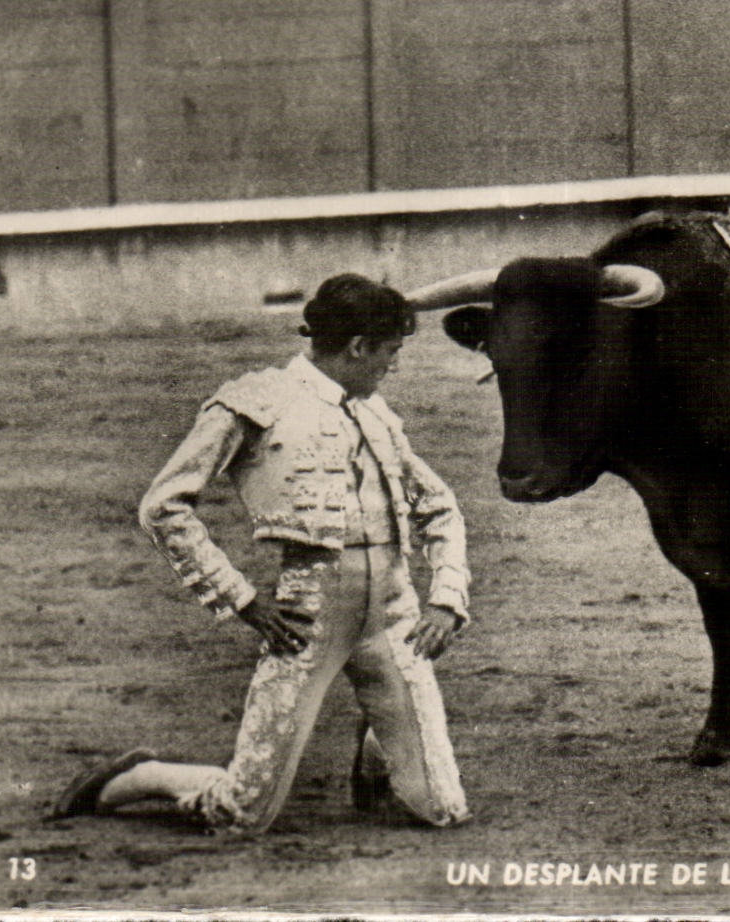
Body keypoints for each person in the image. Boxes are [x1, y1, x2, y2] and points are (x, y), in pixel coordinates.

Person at [50, 276, 472, 834]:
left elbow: (438, 505)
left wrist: (446, 599)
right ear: (358, 347)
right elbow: (163, 506)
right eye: (390, 352)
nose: (393, 366)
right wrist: (242, 599)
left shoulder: (374, 414)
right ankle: (141, 776)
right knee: (241, 813)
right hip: (308, 619)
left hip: (393, 616)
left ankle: (378, 749)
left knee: (443, 809)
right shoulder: (256, 402)